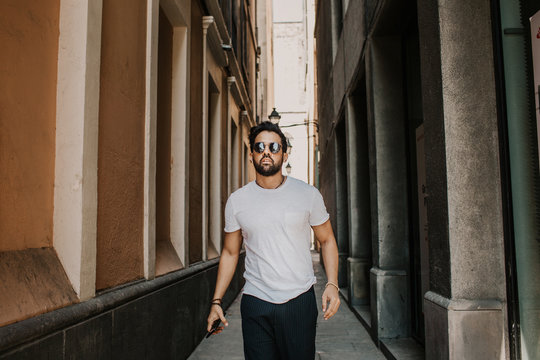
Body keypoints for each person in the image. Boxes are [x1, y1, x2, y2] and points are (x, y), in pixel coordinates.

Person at [206, 121, 340, 360]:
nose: (266, 151)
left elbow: (327, 239)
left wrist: (332, 283)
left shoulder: (307, 195)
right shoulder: (238, 201)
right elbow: (229, 252)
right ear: (252, 155)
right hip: (256, 301)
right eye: (259, 147)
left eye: (274, 147)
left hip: (298, 300)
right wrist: (217, 301)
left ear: (284, 154)